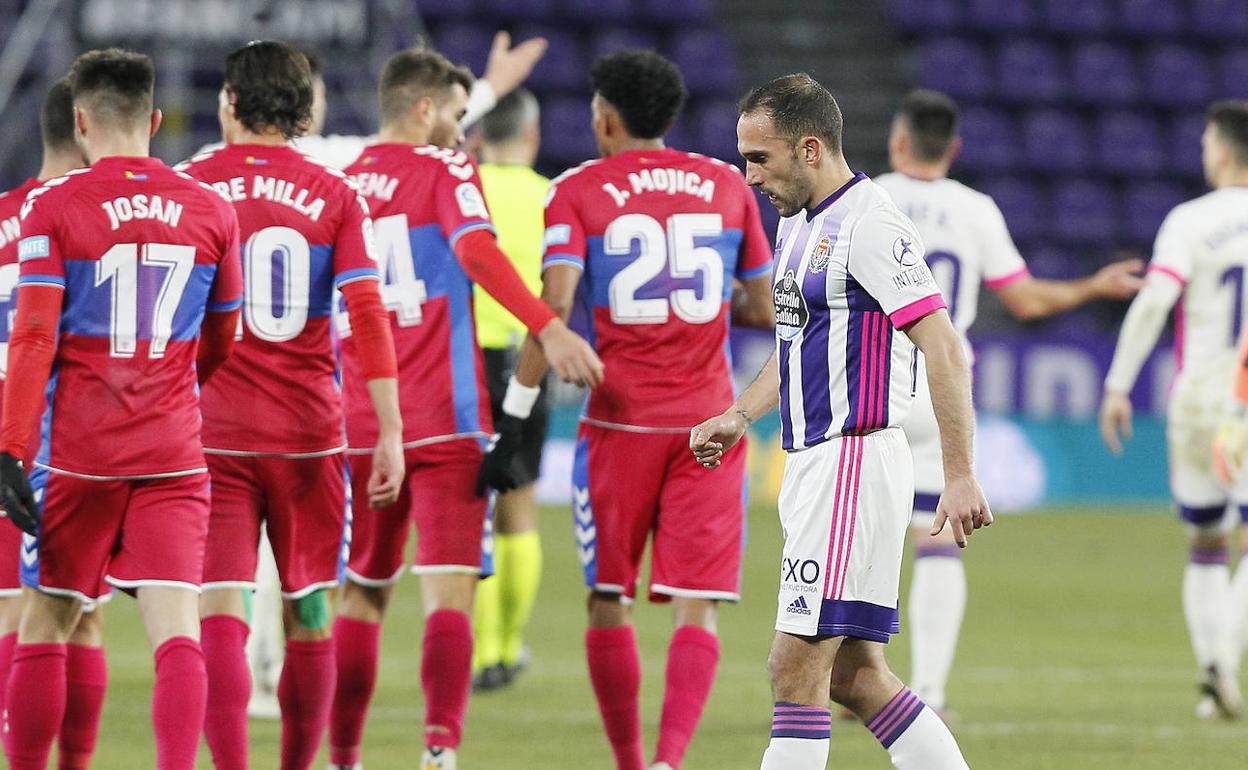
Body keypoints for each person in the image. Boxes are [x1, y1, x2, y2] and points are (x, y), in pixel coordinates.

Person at [481, 50, 775, 770]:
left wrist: (517, 415)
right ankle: (671, 762)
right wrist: (708, 304)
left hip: (619, 426)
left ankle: (630, 763)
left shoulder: (577, 191)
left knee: (609, 596)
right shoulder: (725, 187)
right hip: (711, 423)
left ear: (605, 118)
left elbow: (553, 308)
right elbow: (764, 307)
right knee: (696, 604)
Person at [689, 73, 990, 770]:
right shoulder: (798, 223)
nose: (749, 174)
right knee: (856, 675)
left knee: (793, 667)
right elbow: (793, 347)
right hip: (816, 464)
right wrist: (740, 414)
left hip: (851, 462)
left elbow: (942, 344)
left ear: (812, 149)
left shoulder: (870, 223)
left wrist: (959, 473)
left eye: (760, 158)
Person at [328, 49, 601, 770]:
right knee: (448, 591)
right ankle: (440, 750)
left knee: (363, 591)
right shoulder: (445, 169)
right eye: (453, 115)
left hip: (360, 417)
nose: (460, 131)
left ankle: (345, 756)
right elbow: (476, 251)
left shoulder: (343, 181)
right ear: (424, 111)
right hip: (446, 412)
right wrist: (547, 323)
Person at [0, 47, 243, 770]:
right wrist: (173, 389)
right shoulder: (210, 207)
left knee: (50, 618)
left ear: (80, 122)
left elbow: (35, 335)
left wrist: (13, 448)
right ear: (156, 120)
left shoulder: (54, 206)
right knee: (178, 633)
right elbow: (224, 334)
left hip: (79, 452)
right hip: (172, 450)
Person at [875, 89, 1143, 715]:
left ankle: (853, 674)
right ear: (955, 148)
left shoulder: (869, 195)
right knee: (937, 541)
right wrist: (1091, 287)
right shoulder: (976, 208)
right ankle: (932, 692)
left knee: (862, 535)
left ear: (899, 140)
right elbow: (1023, 300)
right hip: (945, 387)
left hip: (877, 379)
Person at [177, 41, 404, 770]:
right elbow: (368, 315)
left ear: (230, 103)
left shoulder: (189, 185)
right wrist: (392, 432)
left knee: (219, 611)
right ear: (305, 111)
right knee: (308, 611)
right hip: (308, 435)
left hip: (210, 431)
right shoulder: (337, 193)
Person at [1102, 99, 1248, 720]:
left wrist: (1118, 383)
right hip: (1245, 398)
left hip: (1194, 397)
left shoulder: (1190, 220)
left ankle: (1212, 681)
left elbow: (1157, 299)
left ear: (1220, 148)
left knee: (1206, 542)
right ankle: (1223, 660)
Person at [469, 87, 550, 692]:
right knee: (518, 504)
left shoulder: (462, 190)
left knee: (469, 511)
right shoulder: (551, 195)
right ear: (532, 135)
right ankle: (509, 647)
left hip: (466, 361)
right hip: (531, 357)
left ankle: (476, 656)